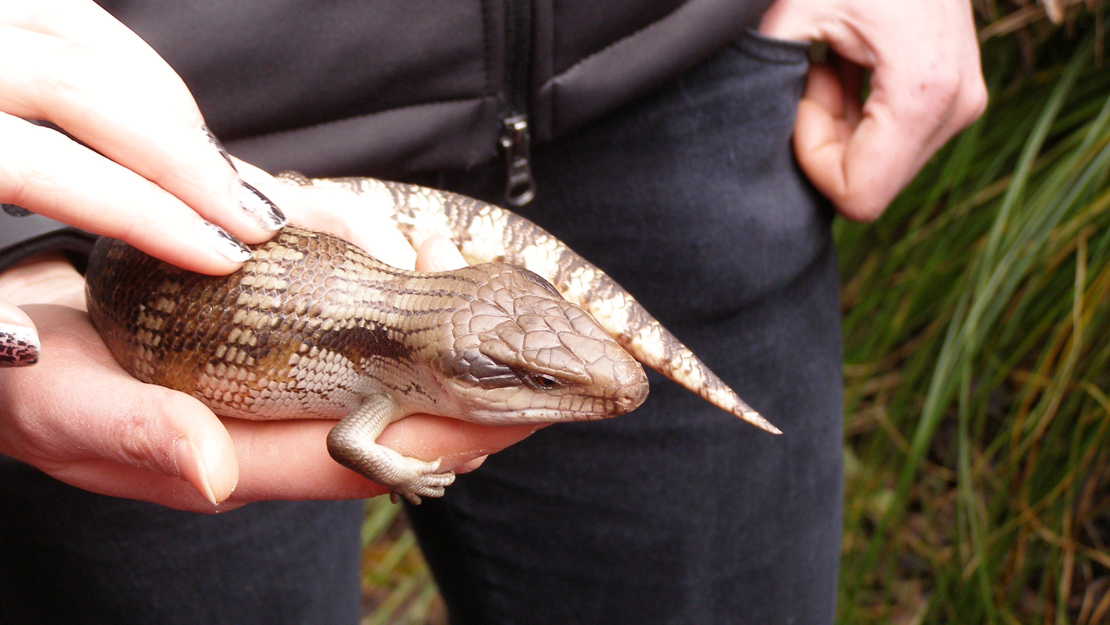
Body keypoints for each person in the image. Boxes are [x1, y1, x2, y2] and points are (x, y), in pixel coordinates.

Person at [0, 0, 986, 623]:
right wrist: (13, 217)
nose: (603, 384)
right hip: (148, 169)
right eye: (542, 376)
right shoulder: (393, 365)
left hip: (682, 79)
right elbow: (360, 435)